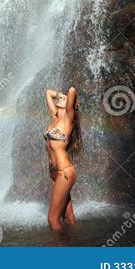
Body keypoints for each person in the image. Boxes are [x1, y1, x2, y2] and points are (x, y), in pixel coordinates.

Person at [44, 86, 82, 230]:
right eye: (60, 97)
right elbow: (48, 92)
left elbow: (72, 90)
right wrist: (63, 98)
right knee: (68, 219)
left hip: (64, 172)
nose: (60, 98)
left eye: (64, 98)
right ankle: (75, 244)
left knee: (52, 220)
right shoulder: (54, 117)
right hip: (54, 174)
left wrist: (72, 99)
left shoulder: (68, 120)